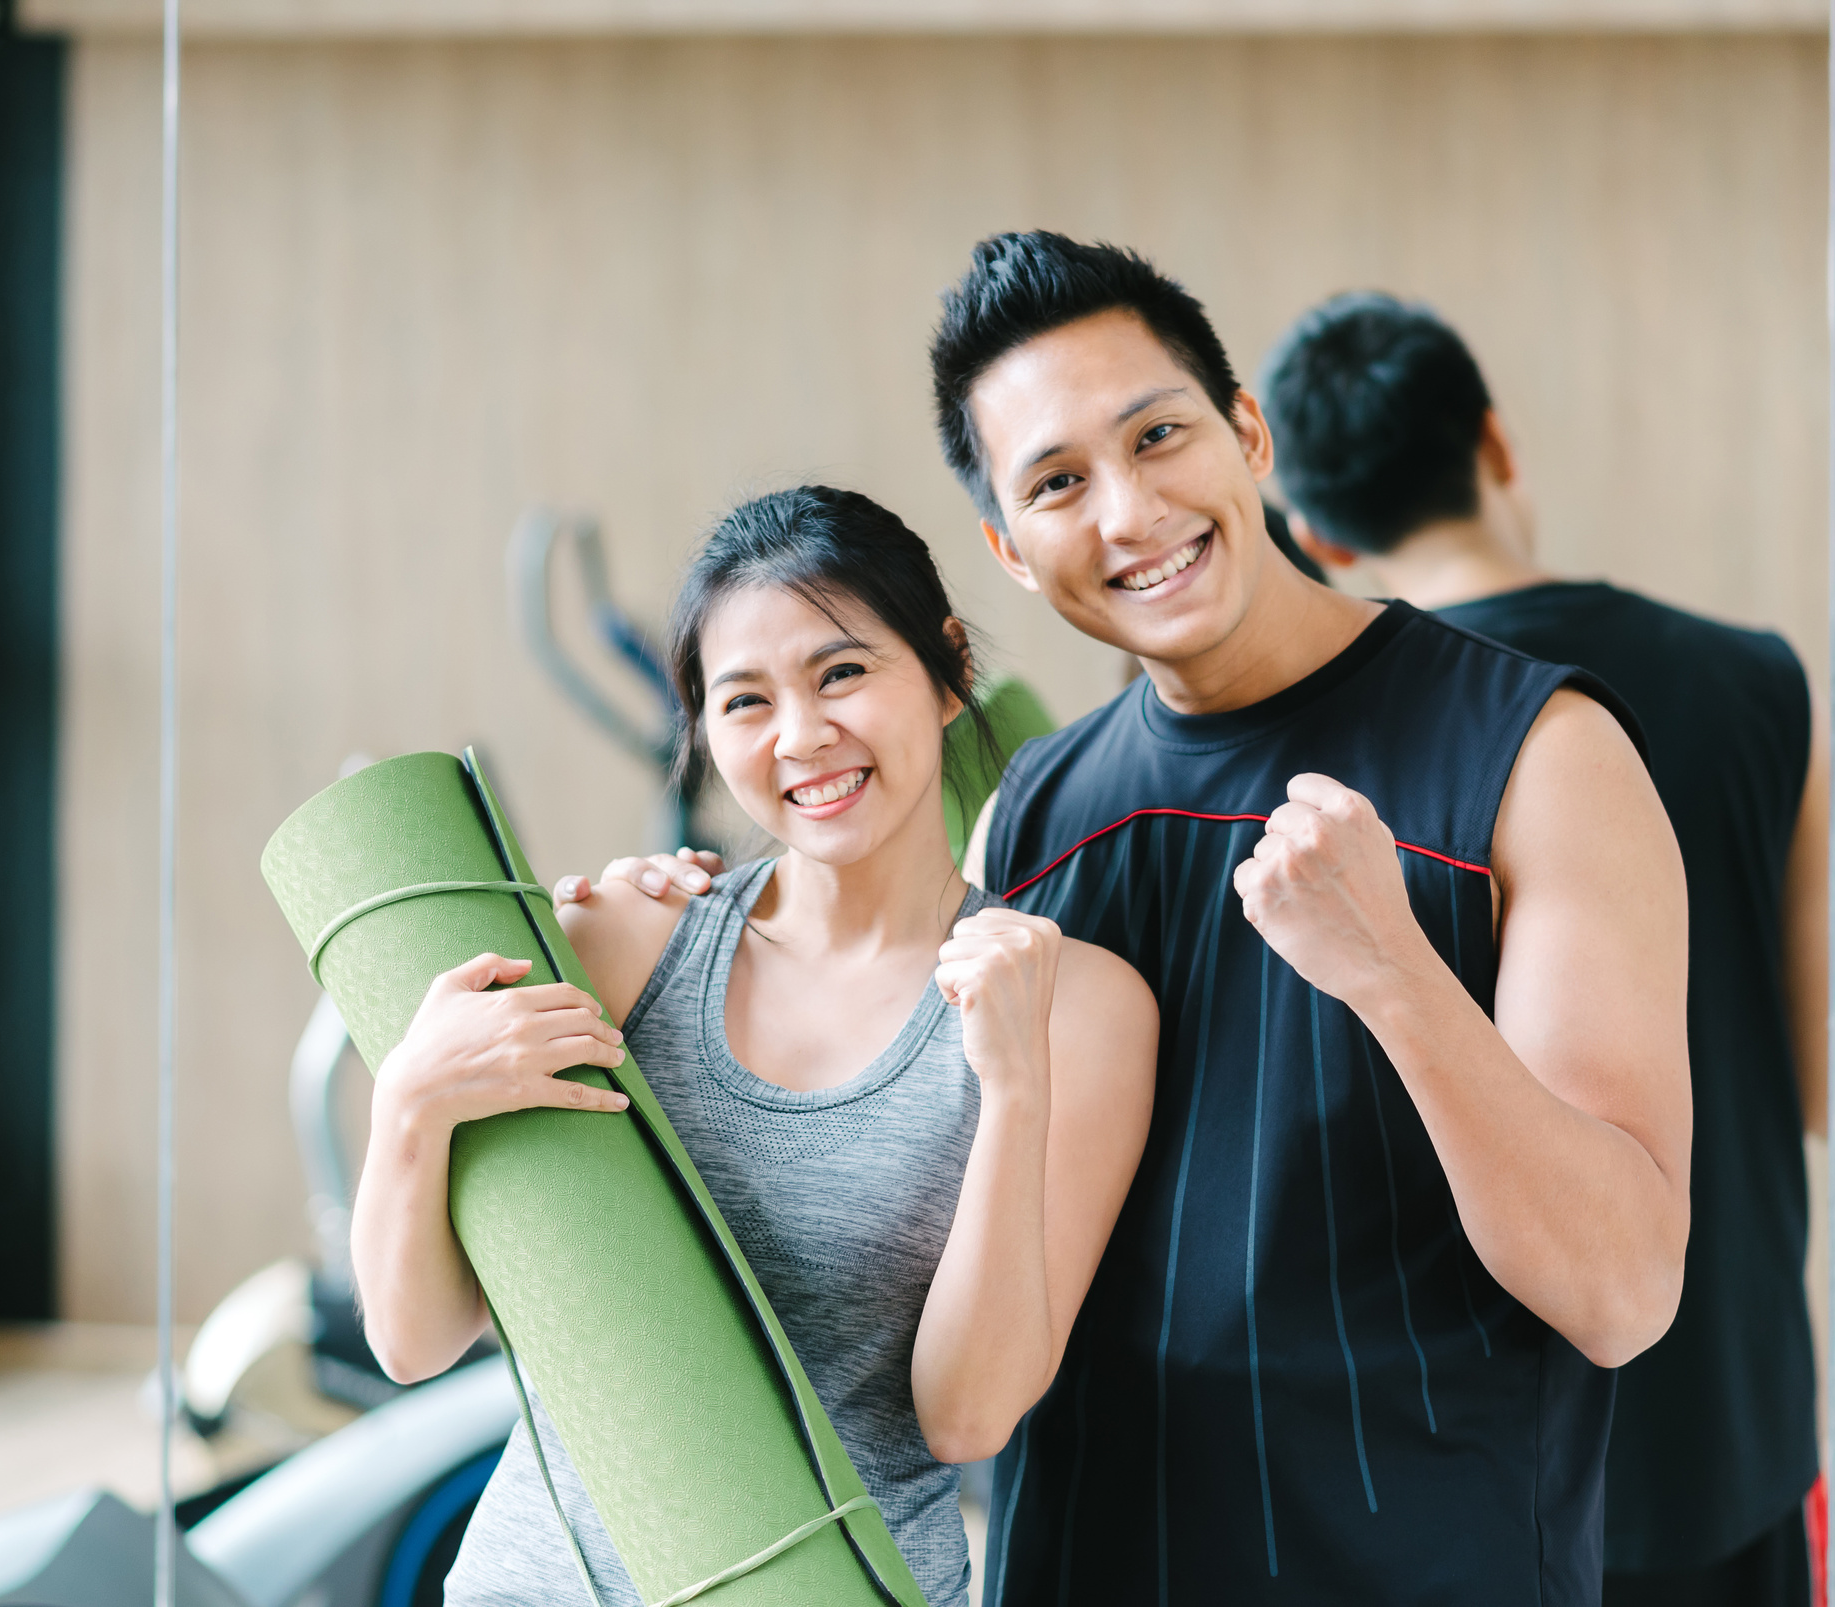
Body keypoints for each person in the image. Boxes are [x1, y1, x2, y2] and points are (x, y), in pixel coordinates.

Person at [584, 232, 1692, 1605]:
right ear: (1004, 546)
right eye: (1056, 481)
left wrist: (1395, 972)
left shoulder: (1540, 752)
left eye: (1156, 435)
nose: (1125, 511)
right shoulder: (1030, 811)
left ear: (1244, 430)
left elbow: (1620, 1288)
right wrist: (696, 925)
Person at [351, 485, 1158, 1607]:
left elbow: (966, 1414)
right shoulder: (625, 940)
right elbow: (417, 1341)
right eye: (743, 701)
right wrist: (409, 1107)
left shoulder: (1074, 1003)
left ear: (946, 665)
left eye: (841, 673)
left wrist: (1013, 1088)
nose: (800, 736)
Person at [1259, 291, 1835, 1607]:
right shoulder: (1756, 679)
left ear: (1309, 529)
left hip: (1465, 1453)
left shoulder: (1317, 779)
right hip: (1729, 1410)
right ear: (1493, 441)